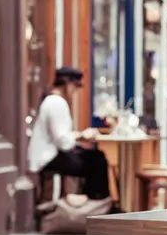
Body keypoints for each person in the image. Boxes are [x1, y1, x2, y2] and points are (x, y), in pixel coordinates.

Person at [27, 67, 111, 200]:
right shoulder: (57, 103)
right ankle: (98, 202)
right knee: (97, 160)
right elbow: (63, 142)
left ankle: (95, 202)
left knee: (94, 157)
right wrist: (82, 136)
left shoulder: (51, 101)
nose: (75, 91)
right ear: (68, 84)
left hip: (48, 155)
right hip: (49, 158)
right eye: (75, 86)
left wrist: (78, 137)